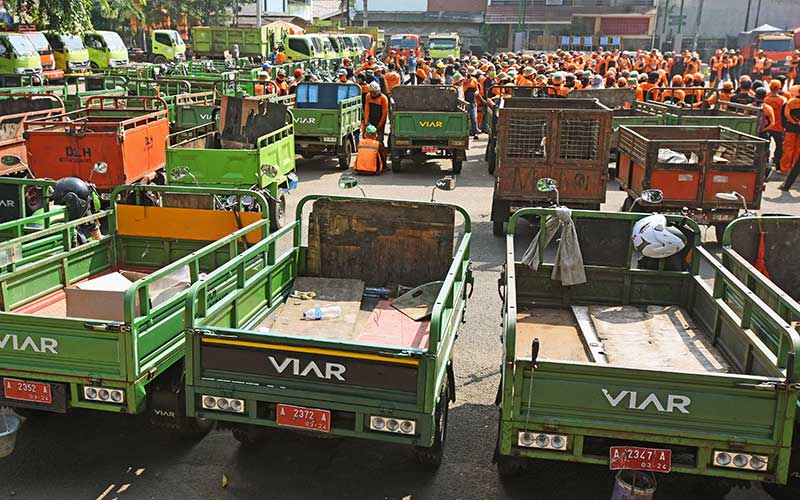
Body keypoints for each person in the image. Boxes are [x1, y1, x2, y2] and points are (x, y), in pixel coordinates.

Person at [764, 80, 787, 169]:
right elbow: (785, 114)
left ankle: (765, 162)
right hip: (779, 126)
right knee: (779, 146)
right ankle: (777, 164)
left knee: (765, 145)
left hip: (767, 126)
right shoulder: (783, 100)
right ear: (779, 88)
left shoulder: (766, 99)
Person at [780, 92, 800, 188]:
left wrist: (794, 122)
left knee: (788, 148)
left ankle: (785, 168)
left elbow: (787, 114)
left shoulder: (791, 102)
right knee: (798, 149)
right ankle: (793, 167)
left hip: (791, 127)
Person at [463, 68, 480, 139]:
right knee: (466, 117)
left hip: (473, 100)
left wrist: (477, 92)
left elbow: (477, 89)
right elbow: (462, 90)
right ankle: (467, 131)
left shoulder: (474, 80)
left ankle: (475, 131)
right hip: (465, 101)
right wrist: (466, 84)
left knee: (474, 116)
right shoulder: (464, 80)